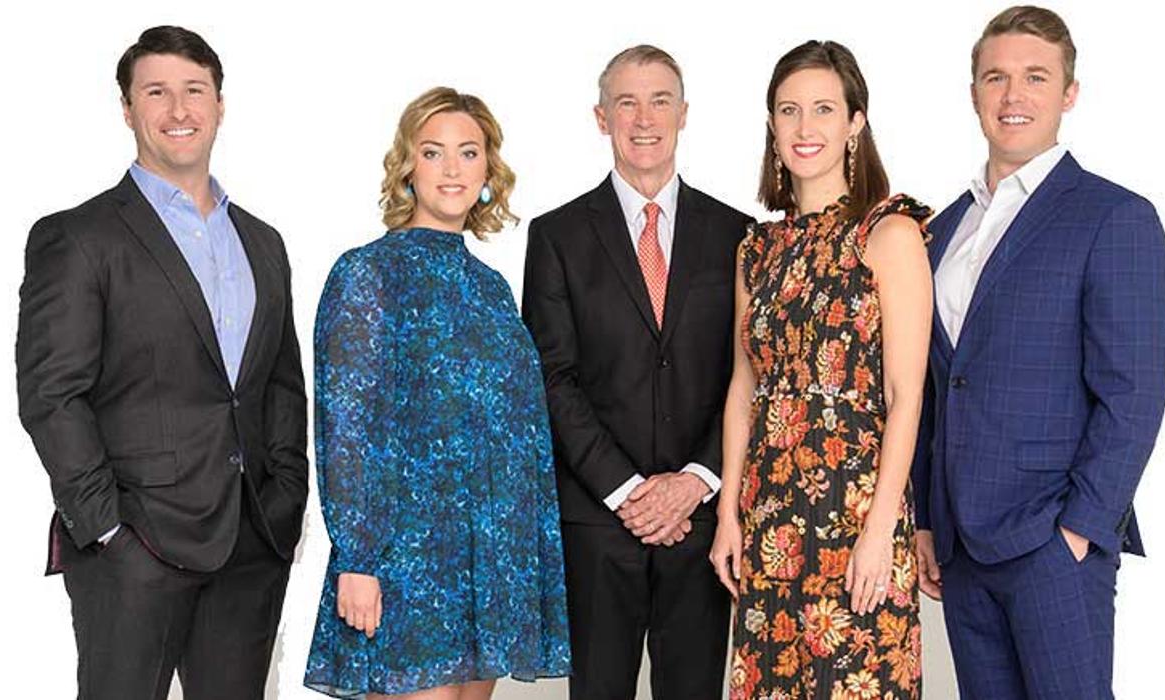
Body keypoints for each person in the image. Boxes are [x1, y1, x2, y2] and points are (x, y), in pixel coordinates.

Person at [15, 26, 308, 700]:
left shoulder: (262, 242)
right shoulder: (78, 237)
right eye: (156, 92)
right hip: (134, 547)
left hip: (251, 541)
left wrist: (285, 498)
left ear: (220, 105)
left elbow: (281, 384)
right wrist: (105, 527)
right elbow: (52, 394)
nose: (179, 109)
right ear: (127, 109)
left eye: (194, 90)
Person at [910, 6, 1165, 699]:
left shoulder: (1113, 217)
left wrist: (1080, 530)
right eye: (995, 77)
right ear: (973, 92)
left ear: (1069, 93)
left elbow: (1133, 393)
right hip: (961, 548)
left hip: (1052, 542)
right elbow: (933, 385)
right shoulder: (941, 229)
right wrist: (925, 518)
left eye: (1035, 76)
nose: (1012, 95)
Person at [305, 87, 570, 700]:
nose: (452, 168)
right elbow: (346, 425)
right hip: (406, 562)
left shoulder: (491, 286)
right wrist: (357, 558)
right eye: (433, 152)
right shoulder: (368, 272)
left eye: (468, 152)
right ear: (408, 168)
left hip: (491, 566)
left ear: (488, 171)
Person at [522, 45, 753, 699]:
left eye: (659, 101)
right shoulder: (556, 235)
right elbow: (551, 378)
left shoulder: (739, 234)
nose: (643, 119)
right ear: (602, 118)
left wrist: (695, 481)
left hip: (703, 523)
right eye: (626, 103)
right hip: (598, 524)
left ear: (684, 113)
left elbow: (750, 373)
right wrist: (628, 492)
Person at [710, 40, 933, 699]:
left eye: (823, 109)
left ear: (855, 122)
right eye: (789, 110)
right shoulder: (757, 249)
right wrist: (728, 515)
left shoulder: (887, 234)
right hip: (769, 515)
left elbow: (906, 394)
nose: (804, 128)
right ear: (771, 124)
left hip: (856, 511)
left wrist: (879, 532)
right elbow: (743, 388)